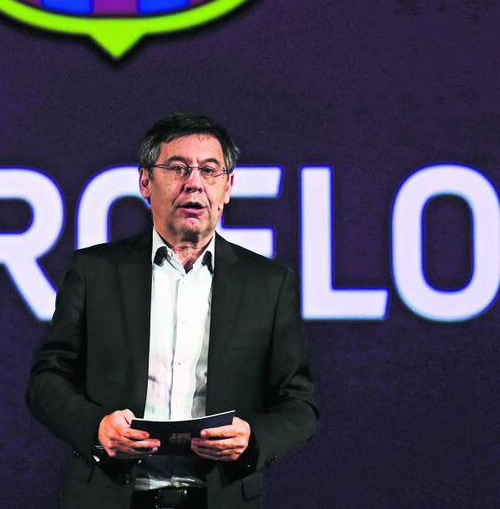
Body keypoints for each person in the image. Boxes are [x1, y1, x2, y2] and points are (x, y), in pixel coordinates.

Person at [27, 113, 317, 508]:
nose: (194, 182)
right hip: (112, 496)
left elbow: (300, 404)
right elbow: (47, 381)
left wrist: (253, 438)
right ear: (145, 182)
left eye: (209, 171)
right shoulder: (94, 272)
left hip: (219, 499)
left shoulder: (268, 283)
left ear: (228, 188)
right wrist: (97, 429)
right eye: (178, 168)